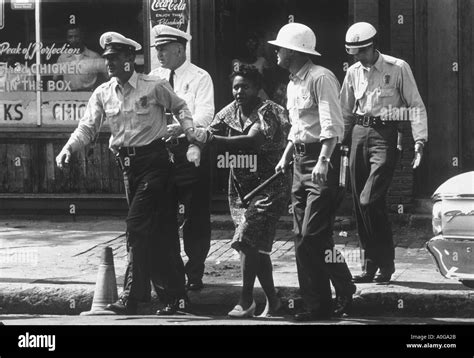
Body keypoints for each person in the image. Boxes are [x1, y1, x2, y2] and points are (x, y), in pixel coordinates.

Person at [55, 31, 199, 315]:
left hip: (155, 164)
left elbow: (180, 107)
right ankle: (176, 298)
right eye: (106, 58)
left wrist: (190, 133)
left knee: (135, 227)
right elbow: (87, 127)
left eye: (115, 58)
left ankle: (133, 295)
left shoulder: (153, 86)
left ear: (129, 60)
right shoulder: (103, 92)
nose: (109, 63)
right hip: (127, 169)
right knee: (159, 232)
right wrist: (68, 148)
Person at [269, 22, 356, 321]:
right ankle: (317, 303)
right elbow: (298, 126)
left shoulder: (322, 78)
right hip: (299, 164)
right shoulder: (294, 82)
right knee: (302, 235)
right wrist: (286, 156)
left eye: (280, 48)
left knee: (311, 235)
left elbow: (332, 124)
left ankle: (340, 288)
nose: (276, 53)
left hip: (321, 164)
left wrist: (323, 160)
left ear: (293, 52)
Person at [340, 22, 428, 284]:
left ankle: (385, 261)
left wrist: (420, 141)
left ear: (373, 46)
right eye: (353, 52)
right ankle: (371, 266)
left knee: (370, 199)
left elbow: (415, 105)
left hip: (384, 136)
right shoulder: (353, 72)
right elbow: (345, 110)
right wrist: (338, 144)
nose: (358, 57)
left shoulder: (397, 67)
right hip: (358, 133)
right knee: (360, 204)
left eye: (362, 51)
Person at [206, 65, 291, 318]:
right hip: (240, 189)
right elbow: (210, 131)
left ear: (257, 89)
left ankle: (246, 300)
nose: (239, 91)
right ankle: (274, 302)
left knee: (245, 238)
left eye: (246, 86)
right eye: (236, 86)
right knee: (254, 247)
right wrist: (194, 138)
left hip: (270, 186)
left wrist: (210, 140)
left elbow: (253, 142)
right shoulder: (229, 111)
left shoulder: (270, 111)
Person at [149, 24, 215, 291]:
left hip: (190, 149)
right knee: (164, 213)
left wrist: (183, 127)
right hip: (161, 153)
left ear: (179, 49)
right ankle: (172, 272)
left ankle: (195, 272)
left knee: (195, 215)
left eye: (163, 49)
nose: (159, 54)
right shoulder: (154, 77)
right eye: (157, 50)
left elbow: (206, 115)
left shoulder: (200, 77)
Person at [54, 24, 107, 91]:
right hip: (68, 98)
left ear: (82, 36)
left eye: (76, 36)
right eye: (70, 37)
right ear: (67, 39)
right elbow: (55, 79)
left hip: (88, 96)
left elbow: (108, 77)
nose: (74, 40)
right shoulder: (62, 58)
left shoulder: (94, 57)